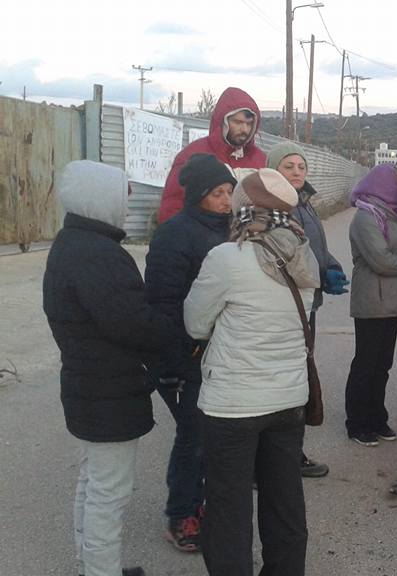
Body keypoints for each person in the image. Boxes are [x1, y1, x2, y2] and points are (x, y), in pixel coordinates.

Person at [184, 168, 321, 576]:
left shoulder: (227, 256)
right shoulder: (303, 254)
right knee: (284, 501)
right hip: (288, 401)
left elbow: (195, 324)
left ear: (244, 206)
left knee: (229, 509)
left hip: (233, 407)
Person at [43, 160, 176, 576]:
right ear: (99, 199)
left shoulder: (71, 243)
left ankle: (90, 564)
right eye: (123, 194)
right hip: (108, 390)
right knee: (109, 493)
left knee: (93, 480)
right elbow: (131, 322)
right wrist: (174, 328)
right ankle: (101, 570)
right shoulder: (99, 255)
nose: (129, 202)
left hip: (87, 384)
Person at [145, 154, 236, 552]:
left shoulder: (230, 231)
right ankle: (181, 514)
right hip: (184, 355)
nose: (226, 201)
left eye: (229, 192)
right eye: (217, 193)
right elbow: (162, 304)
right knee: (193, 435)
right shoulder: (174, 234)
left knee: (212, 434)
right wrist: (172, 364)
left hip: (219, 353)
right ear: (198, 194)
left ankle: (204, 504)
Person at [268, 142, 349, 477]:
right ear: (274, 170)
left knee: (300, 377)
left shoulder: (304, 203)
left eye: (301, 166)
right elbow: (284, 257)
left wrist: (332, 265)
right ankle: (272, 460)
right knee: (283, 381)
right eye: (289, 166)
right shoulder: (272, 206)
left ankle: (290, 453)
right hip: (284, 306)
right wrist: (317, 275)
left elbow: (316, 246)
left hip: (306, 305)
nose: (298, 172)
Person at [344, 165, 397, 447]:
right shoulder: (366, 217)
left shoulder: (393, 213)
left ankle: (378, 418)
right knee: (366, 363)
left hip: (392, 301)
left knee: (382, 364)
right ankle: (357, 422)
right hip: (371, 299)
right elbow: (383, 260)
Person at [158, 87, 266, 223]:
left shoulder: (260, 160)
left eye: (249, 124)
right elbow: (172, 205)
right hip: (202, 238)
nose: (244, 129)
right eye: (237, 122)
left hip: (249, 239)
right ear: (223, 121)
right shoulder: (193, 154)